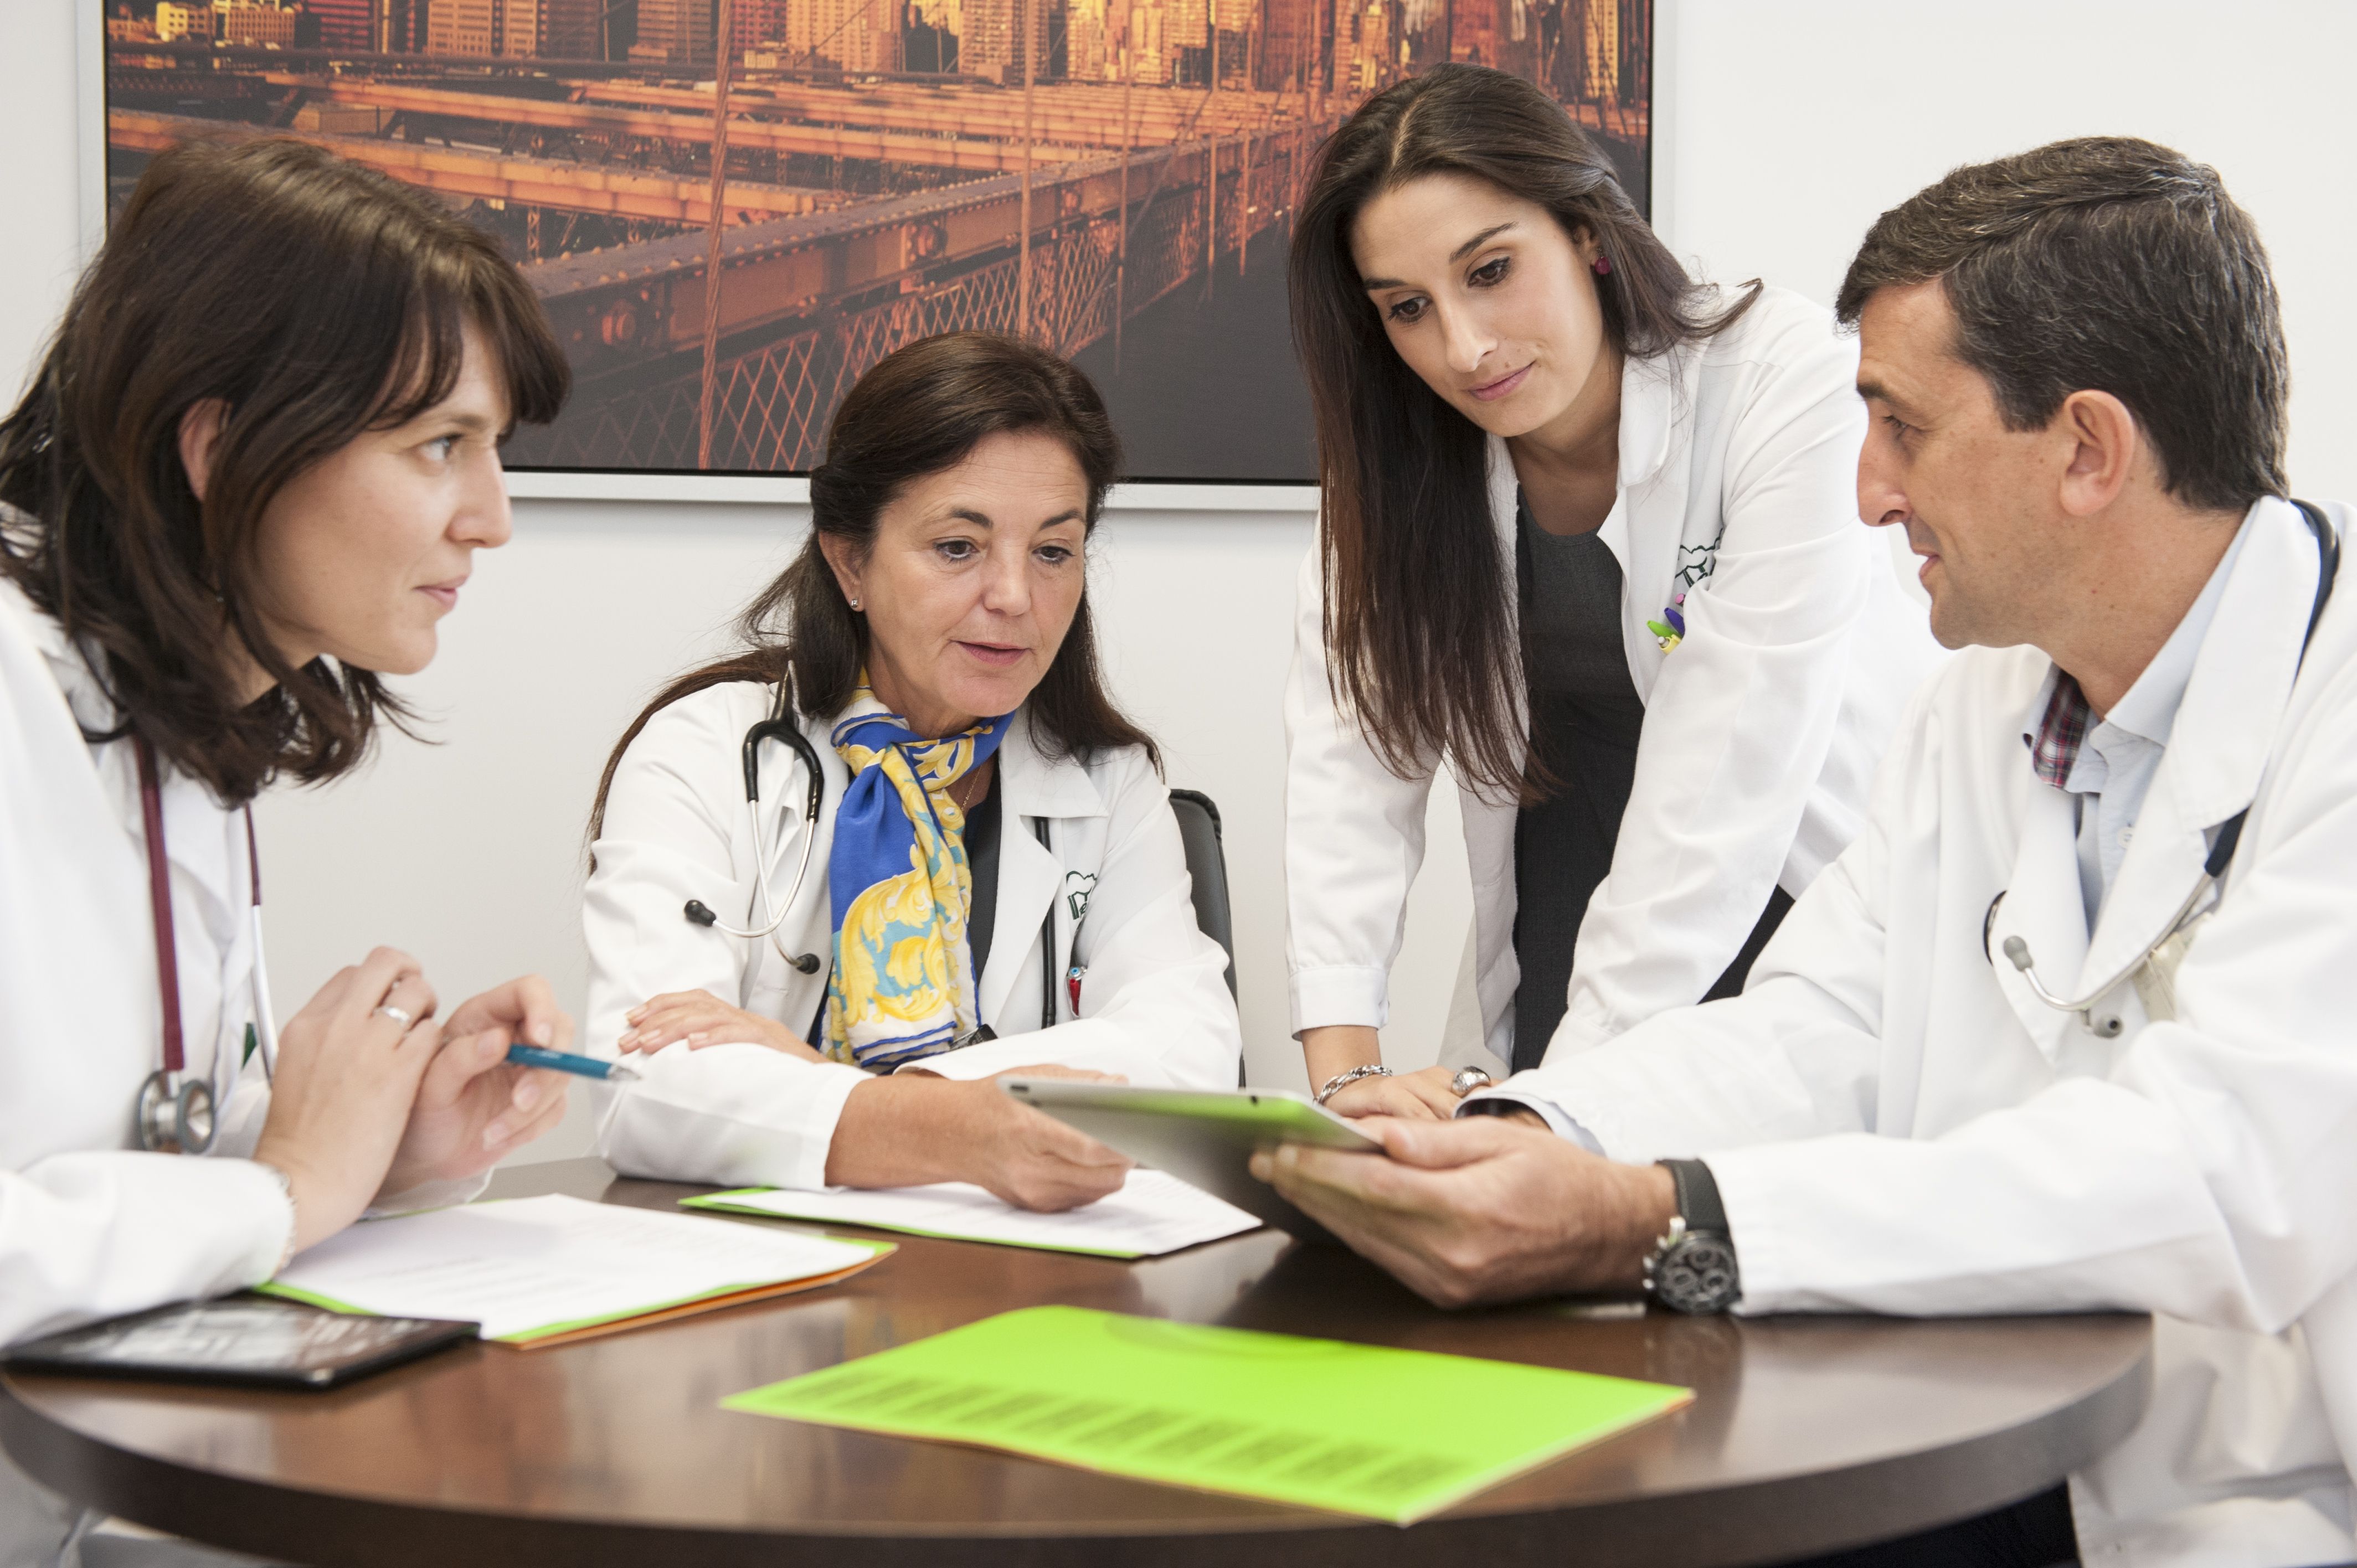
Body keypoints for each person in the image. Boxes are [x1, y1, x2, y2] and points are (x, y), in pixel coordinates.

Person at [1259, 136, 2357, 1566]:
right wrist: (1521, 1133)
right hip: (2016, 1437)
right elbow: (1813, 1023)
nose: (1869, 492)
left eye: (1902, 426)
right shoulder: (1985, 712)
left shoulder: (2330, 716)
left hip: (2264, 1496)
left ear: (2086, 449)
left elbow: (2220, 1175)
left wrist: (1657, 1219)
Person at [0, 138, 577, 1561]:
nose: (492, 518)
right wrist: (283, 1189)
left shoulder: (177, 711)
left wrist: (377, 1150)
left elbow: (125, 1142)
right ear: (222, 450)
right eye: (439, 445)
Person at [1283, 65, 1942, 1120]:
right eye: (1408, 308)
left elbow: (1732, 765)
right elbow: (1350, 762)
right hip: (1568, 906)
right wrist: (1345, 1075)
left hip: (1791, 900)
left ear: (1585, 230)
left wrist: (1552, 1109)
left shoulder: (1781, 380)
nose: (1464, 346)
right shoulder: (1401, 466)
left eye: (1491, 271)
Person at [582, 332, 1241, 1211]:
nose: (1015, 597)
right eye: (959, 547)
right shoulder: (708, 752)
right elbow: (644, 1087)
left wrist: (871, 1094)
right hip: (770, 1267)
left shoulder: (1110, 784)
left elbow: (1194, 1060)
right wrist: (970, 1124)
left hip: (1024, 1270)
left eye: (1054, 551)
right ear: (850, 561)